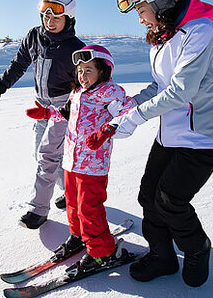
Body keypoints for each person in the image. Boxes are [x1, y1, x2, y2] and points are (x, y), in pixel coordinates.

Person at [104, 0, 213, 287]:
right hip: (171, 133)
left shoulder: (200, 32)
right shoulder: (164, 39)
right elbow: (160, 86)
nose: (140, 18)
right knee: (148, 196)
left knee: (171, 200)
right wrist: (129, 104)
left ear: (162, 1)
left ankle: (196, 248)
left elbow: (182, 91)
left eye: (142, 10)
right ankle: (162, 256)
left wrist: (134, 119)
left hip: (204, 135)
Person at [25, 45, 136, 270]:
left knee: (89, 209)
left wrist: (107, 129)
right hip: (72, 161)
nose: (82, 76)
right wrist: (48, 113)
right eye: (80, 71)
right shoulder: (76, 93)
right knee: (73, 204)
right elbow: (65, 114)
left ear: (103, 71)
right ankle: (78, 237)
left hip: (93, 165)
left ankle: (103, 253)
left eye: (88, 70)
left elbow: (129, 111)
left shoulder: (110, 92)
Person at [0, 0, 84, 229]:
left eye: (56, 17)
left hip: (62, 108)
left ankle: (39, 209)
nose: (50, 21)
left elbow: (86, 82)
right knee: (41, 154)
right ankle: (71, 193)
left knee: (47, 156)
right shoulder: (34, 37)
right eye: (46, 15)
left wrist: (73, 105)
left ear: (68, 19)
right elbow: (19, 65)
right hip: (42, 107)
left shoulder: (76, 48)